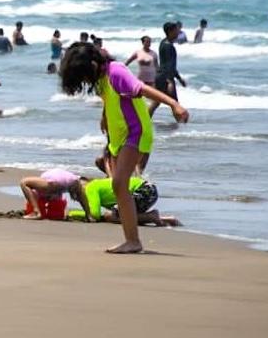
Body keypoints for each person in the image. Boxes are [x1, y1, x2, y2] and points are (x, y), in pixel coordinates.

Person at [59, 41, 189, 253]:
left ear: (92, 63)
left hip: (135, 131)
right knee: (120, 186)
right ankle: (132, 239)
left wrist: (174, 104)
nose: (84, 80)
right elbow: (109, 97)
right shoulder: (101, 78)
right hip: (120, 135)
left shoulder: (116, 71)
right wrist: (104, 116)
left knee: (119, 183)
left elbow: (144, 89)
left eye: (83, 74)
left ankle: (133, 241)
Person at [74, 174, 181, 227]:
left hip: (143, 190)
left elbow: (95, 215)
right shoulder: (97, 184)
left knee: (110, 216)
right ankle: (166, 219)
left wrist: (72, 213)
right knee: (119, 214)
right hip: (149, 189)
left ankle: (151, 216)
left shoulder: (90, 188)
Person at [151, 21, 187, 117]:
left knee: (157, 102)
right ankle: (182, 126)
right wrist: (170, 81)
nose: (178, 32)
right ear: (170, 31)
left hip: (161, 76)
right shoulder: (168, 46)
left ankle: (143, 122)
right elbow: (169, 66)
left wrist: (179, 79)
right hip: (165, 77)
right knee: (174, 104)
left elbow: (167, 65)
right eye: (176, 30)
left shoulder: (164, 43)